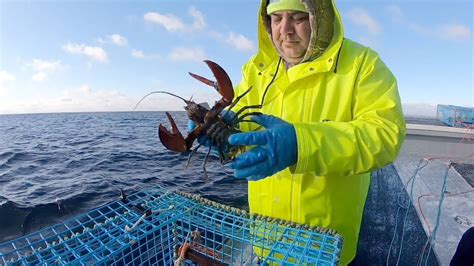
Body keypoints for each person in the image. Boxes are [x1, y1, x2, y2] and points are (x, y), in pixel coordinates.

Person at [191, 0, 405, 264]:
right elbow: (244, 134)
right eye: (276, 18)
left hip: (327, 246)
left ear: (320, 17)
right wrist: (223, 137)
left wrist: (301, 144)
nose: (285, 30)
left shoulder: (362, 64)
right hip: (265, 239)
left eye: (298, 18)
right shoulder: (255, 70)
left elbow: (384, 136)